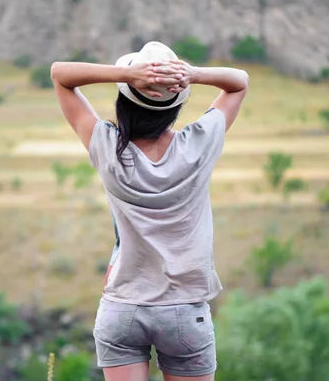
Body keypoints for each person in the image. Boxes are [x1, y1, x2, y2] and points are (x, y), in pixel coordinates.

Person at [51, 41, 249, 381]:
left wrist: (128, 74)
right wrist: (194, 74)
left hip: (122, 308)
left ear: (123, 102)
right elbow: (239, 81)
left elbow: (60, 75)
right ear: (175, 107)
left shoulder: (108, 149)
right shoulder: (198, 144)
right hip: (185, 310)